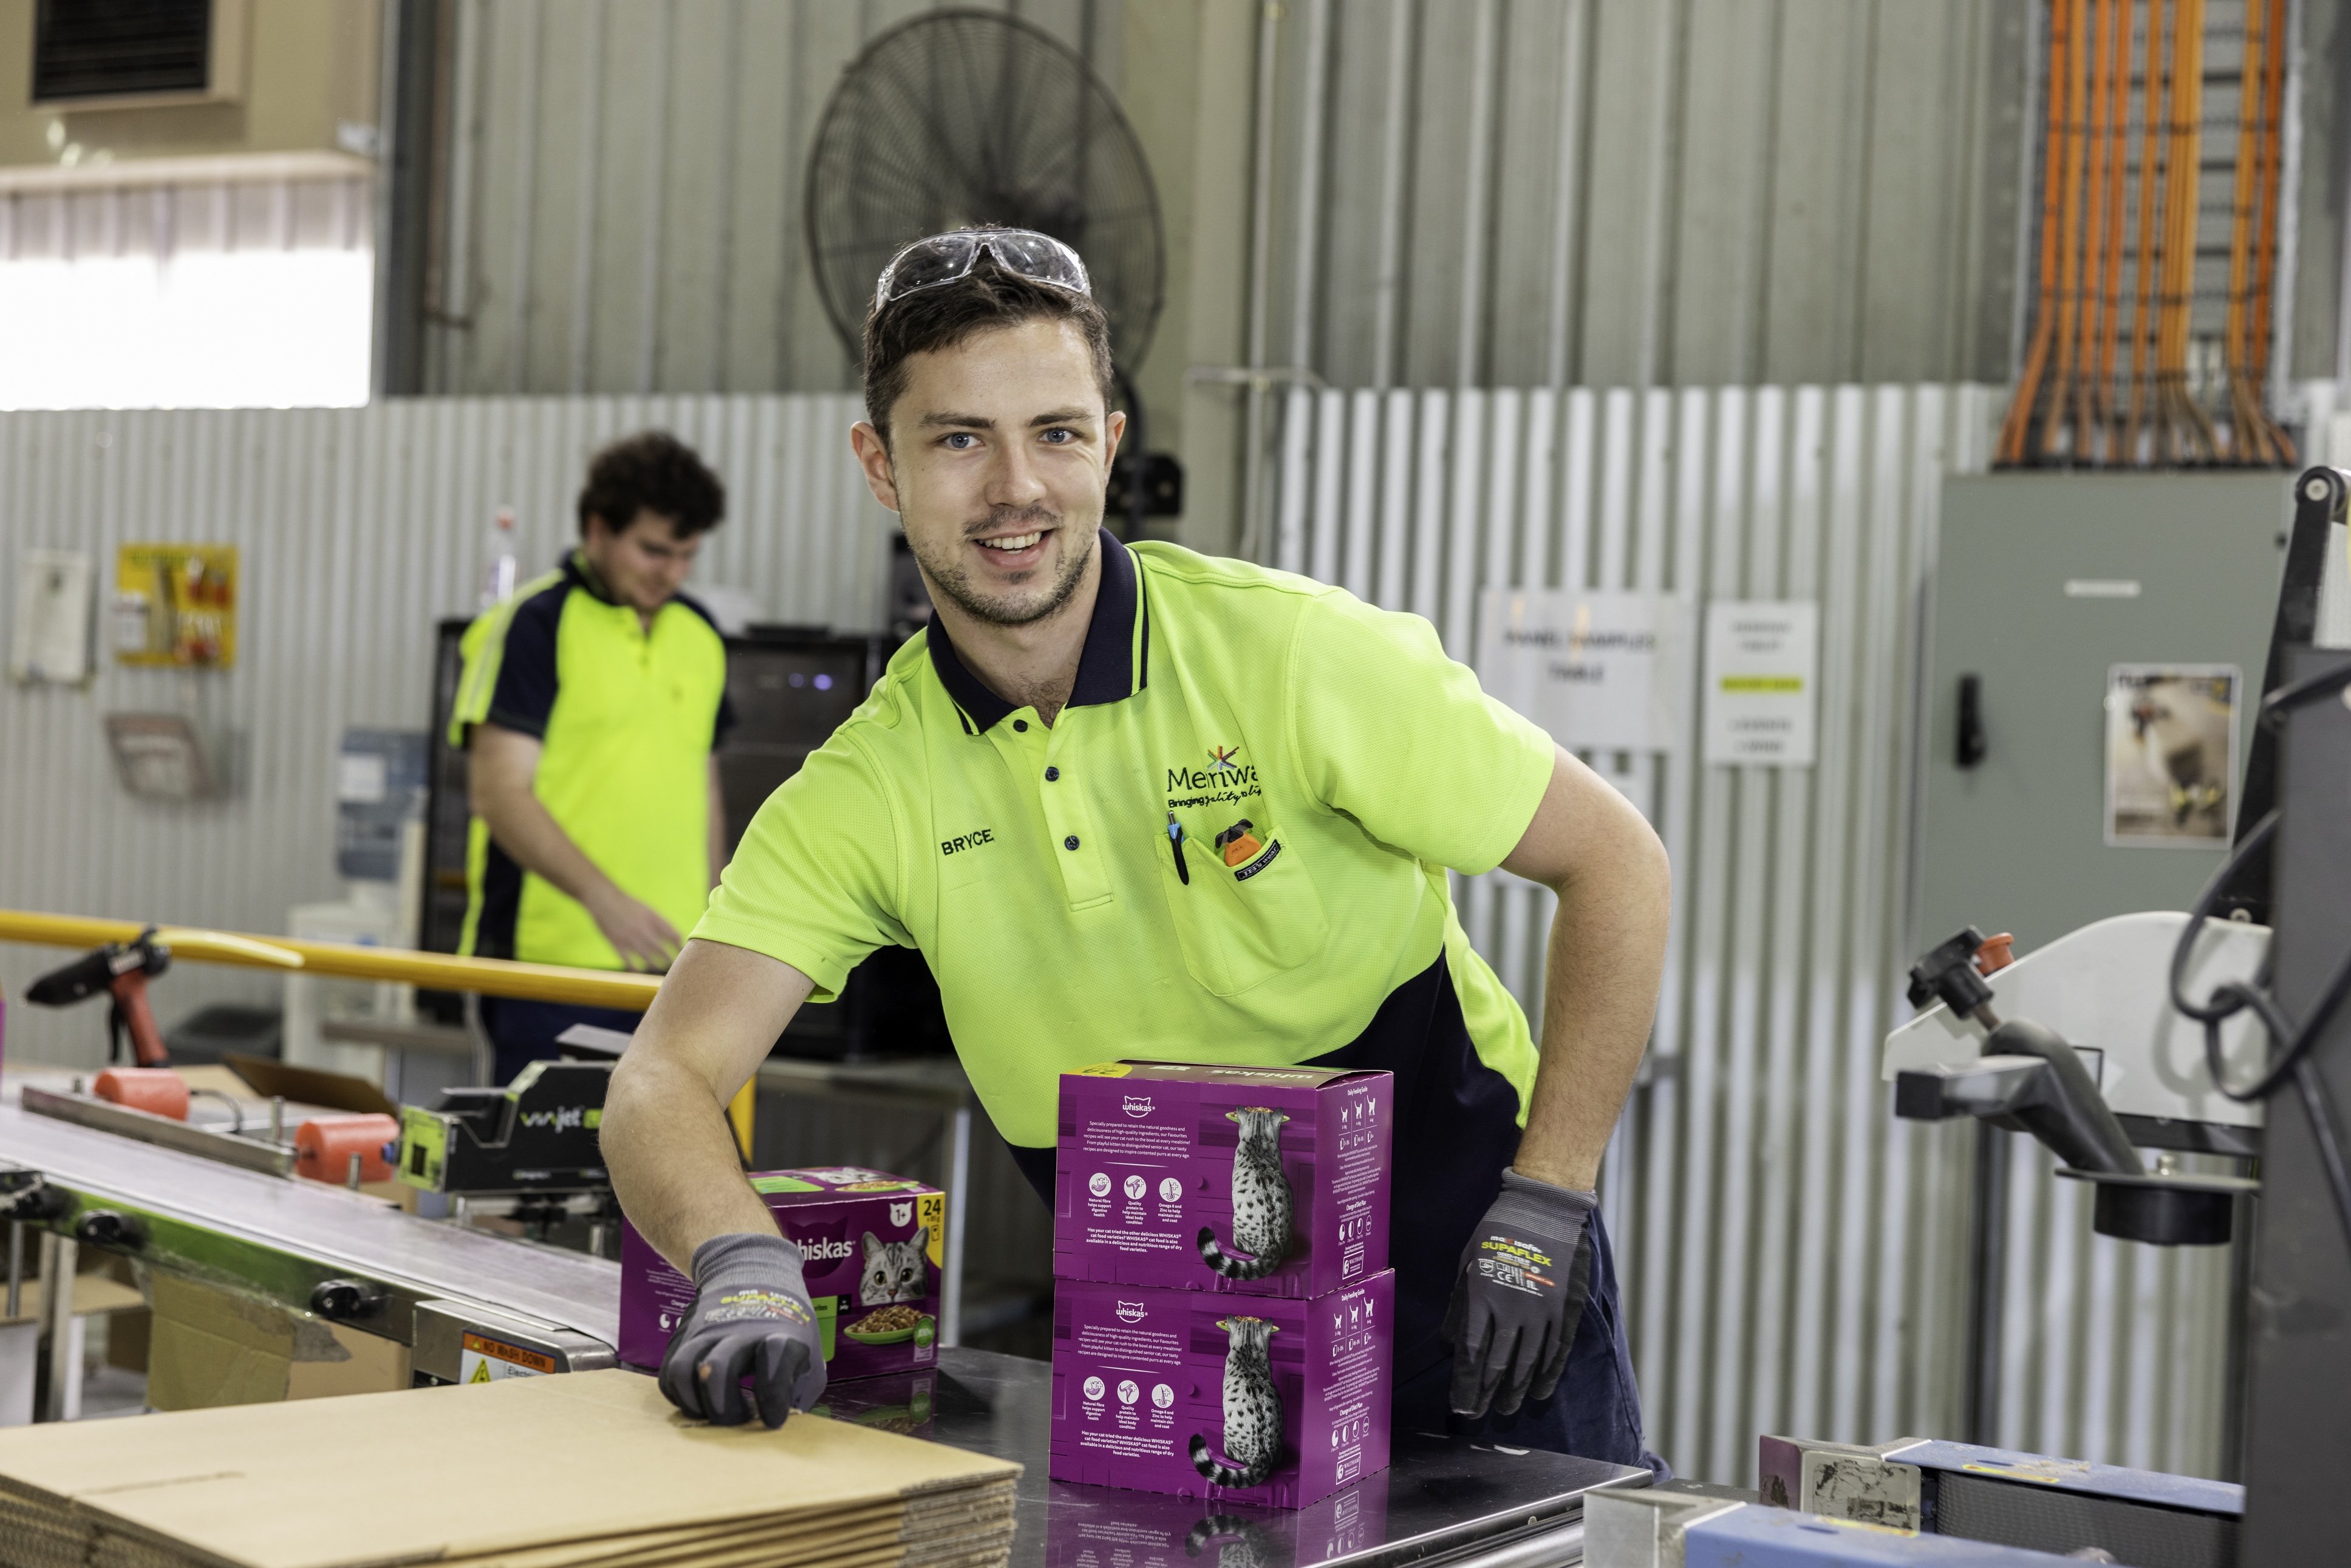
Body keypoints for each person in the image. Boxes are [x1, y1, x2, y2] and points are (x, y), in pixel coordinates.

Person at [601, 230, 1672, 1469]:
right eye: (958, 439)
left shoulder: (1289, 658)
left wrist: (1548, 1199)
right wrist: (739, 1260)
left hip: (1482, 1290)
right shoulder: (870, 787)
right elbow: (661, 1078)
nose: (1016, 488)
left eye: (1055, 433)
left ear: (1108, 444)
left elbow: (1616, 862)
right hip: (1170, 1339)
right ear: (879, 466)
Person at [449, 431, 735, 1084]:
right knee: (542, 1183)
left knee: (667, 1179)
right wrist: (603, 900)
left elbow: (705, 791)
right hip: (545, 963)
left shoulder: (701, 634)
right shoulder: (531, 625)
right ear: (598, 529)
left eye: (686, 555)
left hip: (673, 969)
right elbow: (499, 793)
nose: (671, 572)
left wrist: (719, 930)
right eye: (653, 550)